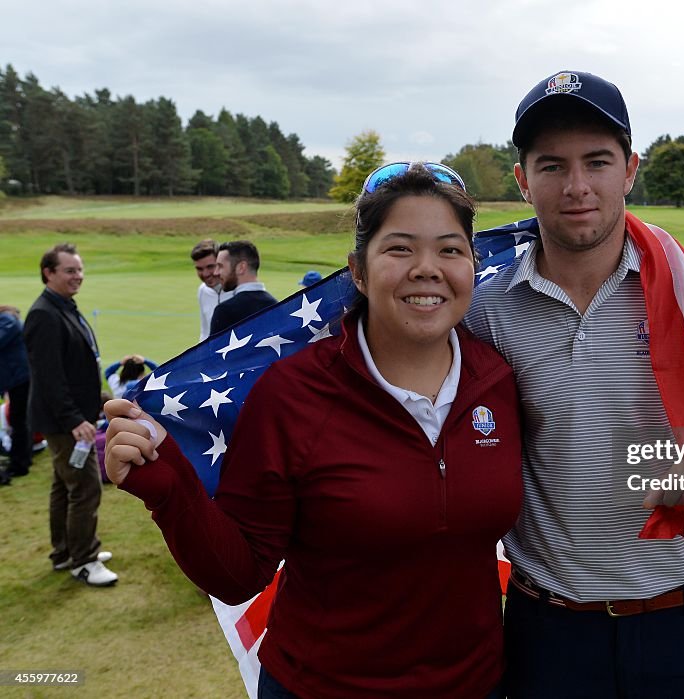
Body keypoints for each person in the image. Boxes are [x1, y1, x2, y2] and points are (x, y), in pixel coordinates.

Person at [104, 163, 522, 699]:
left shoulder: (500, 379)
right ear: (359, 272)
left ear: (473, 262)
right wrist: (168, 486)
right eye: (399, 248)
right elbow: (239, 573)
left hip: (477, 685)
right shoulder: (292, 392)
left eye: (449, 249)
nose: (427, 268)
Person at [464, 69, 684, 698]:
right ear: (521, 180)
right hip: (552, 632)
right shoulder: (488, 311)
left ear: (631, 168)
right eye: (552, 165)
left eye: (597, 161)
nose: (577, 186)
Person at [23, 243, 117, 586]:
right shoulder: (44, 314)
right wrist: (75, 419)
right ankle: (84, 560)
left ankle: (65, 552)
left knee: (64, 486)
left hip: (74, 416)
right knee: (86, 486)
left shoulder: (63, 306)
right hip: (65, 422)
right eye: (69, 271)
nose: (77, 276)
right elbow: (49, 377)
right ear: (49, 273)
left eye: (79, 270)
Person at [208, 240, 277, 336]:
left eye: (220, 266)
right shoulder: (276, 306)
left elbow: (213, 350)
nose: (216, 272)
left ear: (241, 267)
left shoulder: (225, 310)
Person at [0, 305, 31, 483]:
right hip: (17, 378)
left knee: (19, 420)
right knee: (20, 420)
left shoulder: (7, 320)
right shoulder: (8, 319)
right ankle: (20, 459)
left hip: (20, 378)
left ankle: (20, 464)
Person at [191, 239, 234, 342]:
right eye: (199, 269)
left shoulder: (240, 291)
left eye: (210, 267)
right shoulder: (202, 290)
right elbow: (205, 333)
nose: (205, 274)